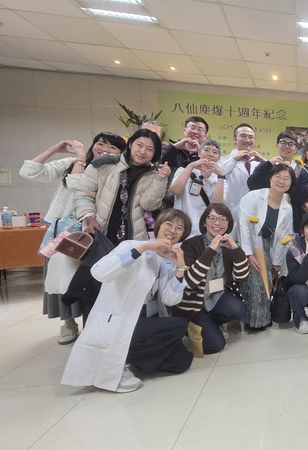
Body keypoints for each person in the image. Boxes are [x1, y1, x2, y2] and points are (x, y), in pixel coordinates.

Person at [61, 209, 194, 393]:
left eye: (179, 228)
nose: (173, 230)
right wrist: (144, 248)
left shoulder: (168, 259)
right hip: (120, 319)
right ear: (159, 226)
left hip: (147, 317)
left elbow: (170, 300)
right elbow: (99, 272)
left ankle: (133, 357)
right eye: (168, 224)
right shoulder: (131, 245)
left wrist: (180, 267)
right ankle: (121, 361)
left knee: (182, 362)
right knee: (178, 325)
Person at [20, 133, 126, 344]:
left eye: (113, 147)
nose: (105, 149)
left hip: (91, 233)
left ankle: (93, 321)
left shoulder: (115, 172)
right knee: (60, 278)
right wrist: (55, 150)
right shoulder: (72, 163)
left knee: (88, 279)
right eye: (101, 143)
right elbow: (29, 172)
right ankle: (68, 322)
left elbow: (82, 190)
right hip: (63, 232)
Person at [75, 128, 170, 244]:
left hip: (134, 237)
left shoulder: (154, 174)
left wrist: (160, 179)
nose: (142, 151)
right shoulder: (103, 164)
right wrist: (89, 218)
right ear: (130, 144)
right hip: (99, 230)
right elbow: (83, 194)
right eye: (139, 145)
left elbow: (149, 205)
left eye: (149, 149)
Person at [177, 203, 248, 353]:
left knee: (239, 310)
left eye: (223, 219)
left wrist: (235, 249)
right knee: (215, 345)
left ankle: (211, 323)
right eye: (212, 218)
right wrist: (210, 250)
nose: (217, 223)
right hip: (194, 302)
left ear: (228, 224)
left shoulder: (228, 244)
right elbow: (190, 282)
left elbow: (242, 276)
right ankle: (189, 326)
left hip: (216, 295)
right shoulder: (190, 245)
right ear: (204, 222)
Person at [239, 164, 295, 330]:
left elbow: (282, 238)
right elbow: (244, 226)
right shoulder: (254, 197)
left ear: (290, 184)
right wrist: (248, 254)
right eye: (278, 176)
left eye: (286, 178)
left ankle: (263, 317)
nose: (281, 181)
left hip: (267, 245)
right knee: (255, 283)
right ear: (270, 178)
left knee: (268, 282)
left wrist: (276, 262)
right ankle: (253, 321)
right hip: (247, 243)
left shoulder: (287, 208)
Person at [248, 131, 308, 230]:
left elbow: (301, 198)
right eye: (283, 142)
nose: (286, 146)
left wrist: (291, 176)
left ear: (296, 149)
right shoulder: (267, 166)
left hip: (291, 220)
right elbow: (252, 185)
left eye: (291, 144)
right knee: (259, 244)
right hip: (263, 216)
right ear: (277, 145)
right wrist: (268, 164)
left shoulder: (300, 172)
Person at [169, 138, 226, 238]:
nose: (210, 154)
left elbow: (217, 206)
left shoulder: (221, 180)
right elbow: (175, 190)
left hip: (205, 230)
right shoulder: (183, 170)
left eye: (215, 152)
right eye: (206, 150)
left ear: (219, 157)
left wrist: (220, 177)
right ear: (199, 153)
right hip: (182, 228)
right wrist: (190, 166)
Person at [218, 123, 263, 240]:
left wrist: (264, 162)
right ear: (235, 139)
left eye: (251, 137)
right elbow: (218, 174)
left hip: (254, 216)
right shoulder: (224, 160)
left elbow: (275, 176)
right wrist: (234, 159)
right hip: (230, 214)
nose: (247, 140)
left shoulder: (258, 163)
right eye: (243, 136)